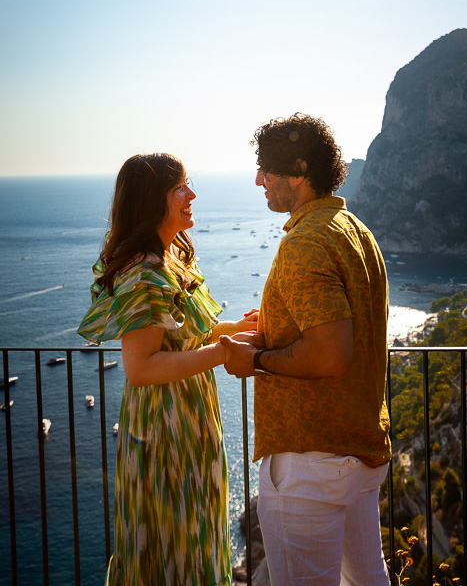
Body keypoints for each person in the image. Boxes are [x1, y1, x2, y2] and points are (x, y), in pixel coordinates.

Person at [221, 114, 392, 586]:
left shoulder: (305, 244)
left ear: (299, 170)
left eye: (267, 171)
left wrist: (253, 360)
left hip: (310, 462)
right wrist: (272, 334)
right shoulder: (353, 230)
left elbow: (329, 354)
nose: (259, 180)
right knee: (368, 580)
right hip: (357, 450)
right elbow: (342, 333)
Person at [77, 153, 257, 586]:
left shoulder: (171, 258)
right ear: (150, 200)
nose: (192, 194)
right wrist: (223, 352)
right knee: (174, 548)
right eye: (180, 188)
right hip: (164, 432)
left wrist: (240, 328)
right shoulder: (143, 271)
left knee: (194, 539)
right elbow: (141, 367)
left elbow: (185, 333)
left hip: (189, 421)